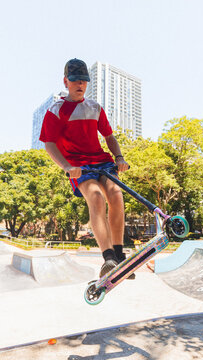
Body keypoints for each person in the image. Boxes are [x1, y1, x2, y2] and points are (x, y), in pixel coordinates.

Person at [39, 58, 134, 279]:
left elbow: (109, 136)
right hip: (79, 167)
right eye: (75, 81)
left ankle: (119, 255)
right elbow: (49, 143)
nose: (80, 84)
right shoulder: (57, 110)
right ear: (66, 82)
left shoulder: (95, 108)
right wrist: (66, 166)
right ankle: (108, 257)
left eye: (83, 81)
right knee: (96, 197)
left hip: (102, 162)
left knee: (116, 195)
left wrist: (119, 158)